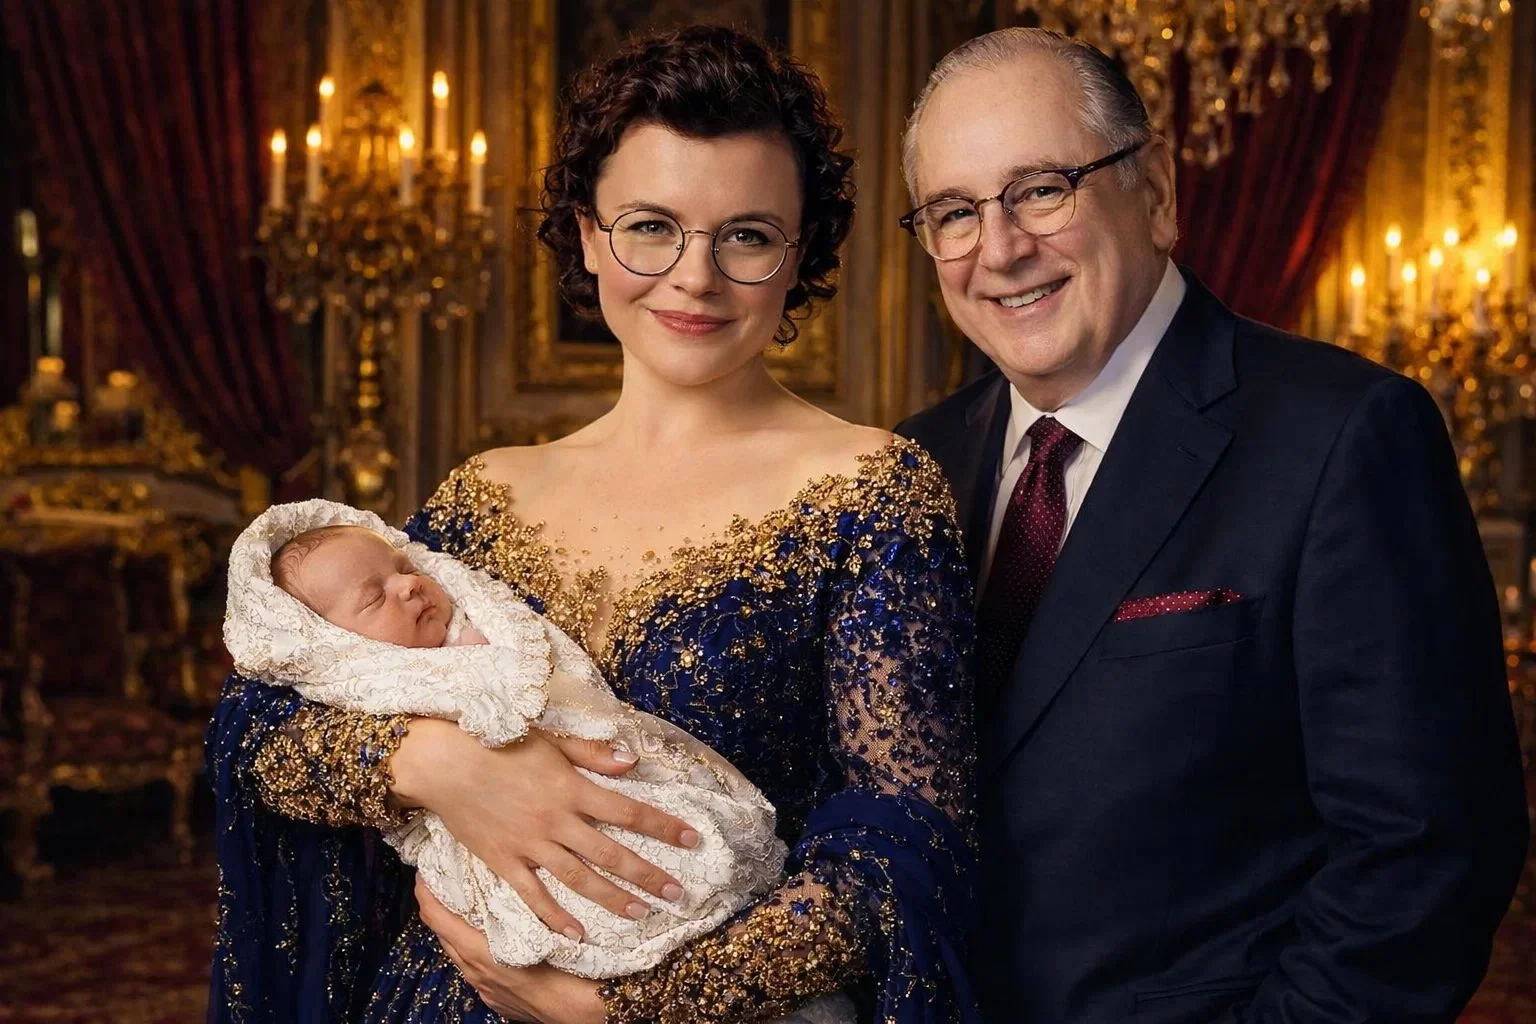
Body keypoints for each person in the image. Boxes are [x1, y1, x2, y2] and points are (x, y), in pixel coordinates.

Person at [207, 25, 978, 1024]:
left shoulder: (872, 490)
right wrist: (432, 765)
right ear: (586, 234)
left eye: (746, 236)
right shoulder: (482, 494)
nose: (695, 277)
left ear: (800, 257)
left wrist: (615, 1010)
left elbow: (904, 836)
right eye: (651, 226)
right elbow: (261, 720)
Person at [895, 27, 1529, 1023]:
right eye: (954, 213)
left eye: (1042, 190)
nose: (1001, 247)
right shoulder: (911, 466)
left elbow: (1423, 859)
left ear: (1154, 191)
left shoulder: (1344, 436)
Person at [222, 501, 833, 996]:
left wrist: (624, 1008)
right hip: (471, 969)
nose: (409, 584)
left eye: (405, 569)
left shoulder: (860, 508)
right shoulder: (472, 505)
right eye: (375, 597)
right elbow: (253, 732)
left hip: (748, 943)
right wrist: (428, 758)